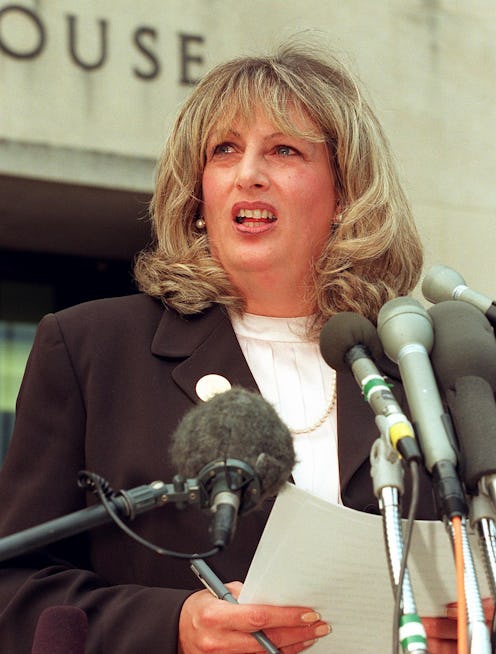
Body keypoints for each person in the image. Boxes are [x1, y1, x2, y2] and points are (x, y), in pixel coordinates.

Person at [0, 41, 466, 653]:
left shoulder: (422, 364)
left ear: (346, 194)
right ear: (199, 197)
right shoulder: (91, 348)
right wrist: (175, 628)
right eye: (224, 150)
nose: (249, 172)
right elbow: (13, 590)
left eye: (284, 149)